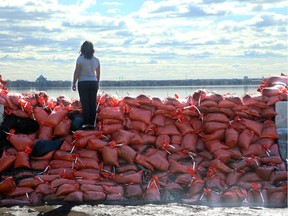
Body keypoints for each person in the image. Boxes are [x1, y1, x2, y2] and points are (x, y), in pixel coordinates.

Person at [72, 40, 100, 130]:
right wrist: (98, 83)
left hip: (83, 82)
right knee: (92, 103)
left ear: (82, 49)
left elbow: (77, 72)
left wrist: (74, 83)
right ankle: (93, 123)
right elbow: (98, 73)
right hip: (93, 82)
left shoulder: (80, 59)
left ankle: (86, 123)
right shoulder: (96, 60)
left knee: (85, 103)